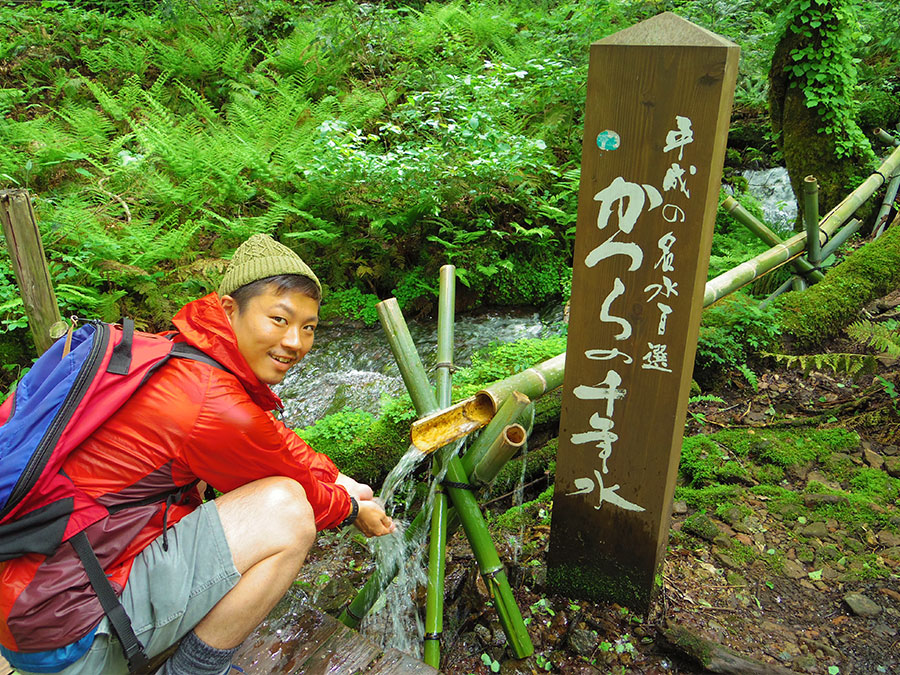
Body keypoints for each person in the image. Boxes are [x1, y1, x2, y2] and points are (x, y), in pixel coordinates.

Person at [0, 234, 396, 675]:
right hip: (69, 631)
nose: (296, 342)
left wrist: (338, 477)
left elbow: (275, 442)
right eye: (279, 320)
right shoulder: (212, 403)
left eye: (308, 326)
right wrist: (350, 509)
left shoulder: (183, 355)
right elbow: (298, 489)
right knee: (286, 510)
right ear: (230, 310)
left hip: (33, 601)